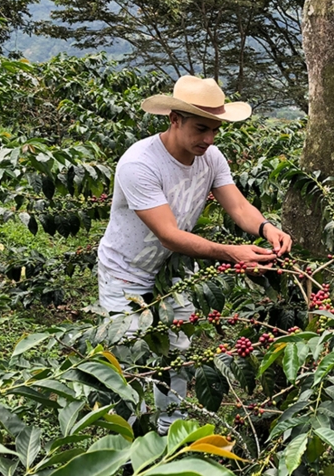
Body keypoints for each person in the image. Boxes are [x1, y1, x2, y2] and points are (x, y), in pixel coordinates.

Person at [96, 75, 293, 434]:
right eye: (201, 128)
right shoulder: (139, 164)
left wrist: (266, 228)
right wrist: (229, 253)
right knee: (133, 360)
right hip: (124, 274)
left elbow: (238, 205)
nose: (209, 139)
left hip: (171, 273)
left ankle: (169, 431)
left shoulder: (211, 157)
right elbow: (169, 235)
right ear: (174, 119)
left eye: (215, 130)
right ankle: (128, 442)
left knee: (179, 352)